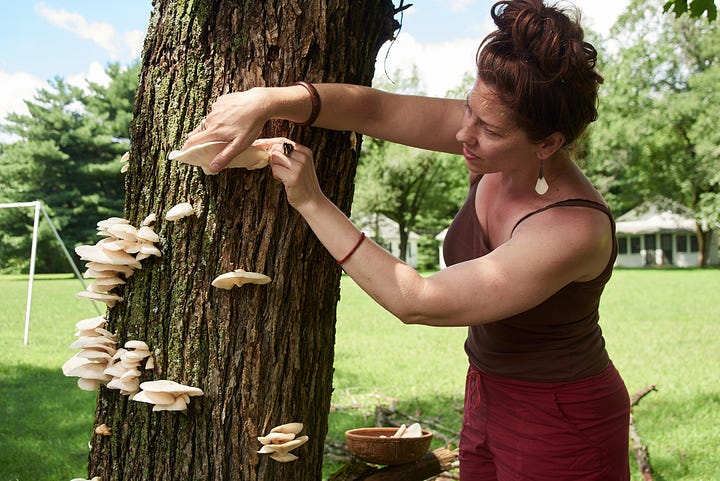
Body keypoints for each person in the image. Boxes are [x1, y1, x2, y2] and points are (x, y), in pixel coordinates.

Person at [184, 0, 631, 478]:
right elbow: (376, 111)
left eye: (487, 129)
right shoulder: (491, 138)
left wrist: (313, 201)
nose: (463, 132)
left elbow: (418, 300)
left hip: (563, 417)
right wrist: (268, 101)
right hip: (487, 390)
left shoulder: (572, 229)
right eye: (469, 110)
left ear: (548, 144)